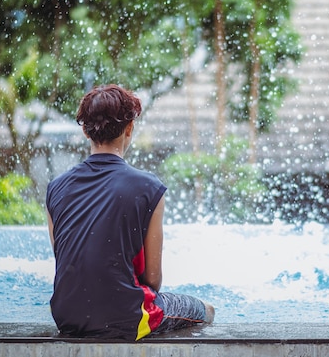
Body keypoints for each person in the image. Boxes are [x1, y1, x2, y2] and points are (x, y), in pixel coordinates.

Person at [46, 84, 214, 340]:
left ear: (84, 130)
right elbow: (153, 279)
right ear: (129, 129)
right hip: (127, 317)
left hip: (66, 317)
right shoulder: (149, 188)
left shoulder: (55, 188)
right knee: (206, 311)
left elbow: (68, 262)